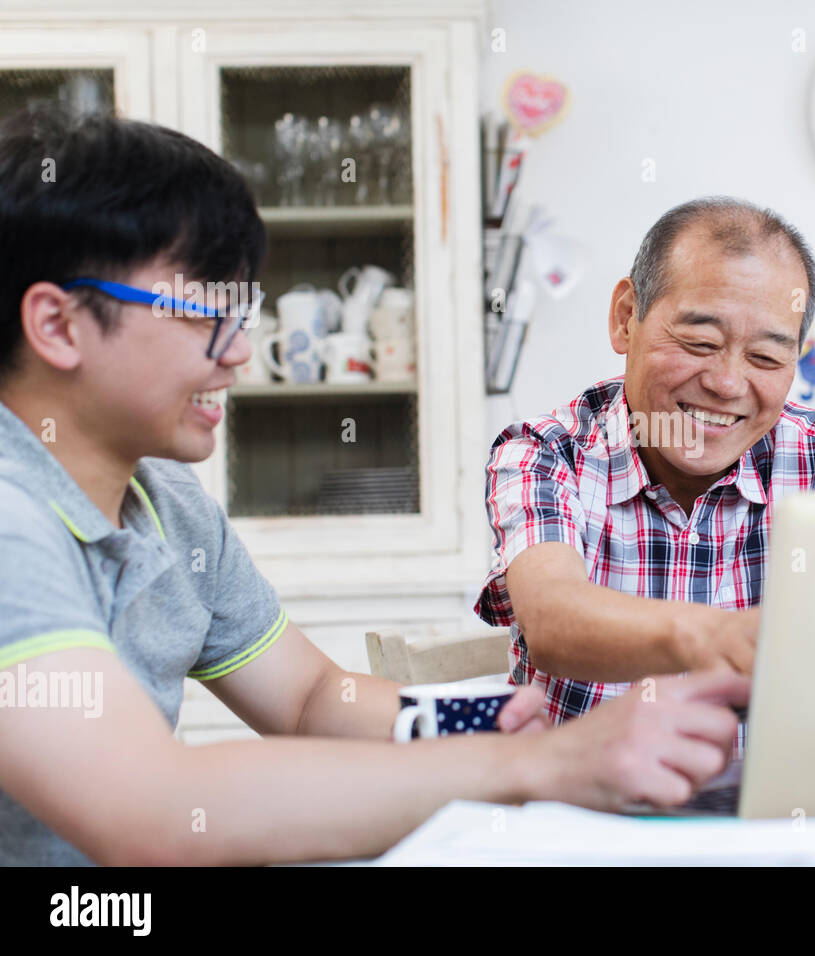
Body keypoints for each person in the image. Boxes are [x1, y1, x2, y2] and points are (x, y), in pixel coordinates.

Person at [0, 105, 748, 866]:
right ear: (59, 326)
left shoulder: (165, 502)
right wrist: (543, 763)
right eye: (207, 315)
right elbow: (151, 810)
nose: (239, 357)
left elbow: (310, 700)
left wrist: (497, 719)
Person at [476, 197, 815, 725]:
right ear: (625, 318)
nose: (727, 384)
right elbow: (552, 618)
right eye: (700, 341)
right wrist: (719, 636)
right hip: (581, 800)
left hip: (775, 802)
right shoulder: (545, 453)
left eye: (766, 358)